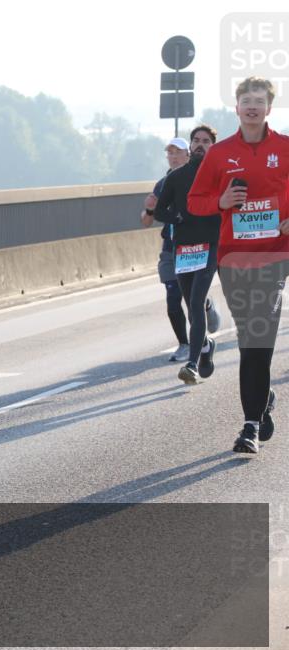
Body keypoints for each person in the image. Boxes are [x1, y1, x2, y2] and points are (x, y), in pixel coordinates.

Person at [188, 76, 289, 452]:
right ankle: (262, 405)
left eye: (259, 100)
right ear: (236, 107)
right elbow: (195, 201)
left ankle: (249, 428)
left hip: (275, 257)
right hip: (233, 259)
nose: (252, 105)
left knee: (257, 342)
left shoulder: (285, 148)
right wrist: (221, 202)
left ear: (268, 108)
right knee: (251, 343)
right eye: (246, 99)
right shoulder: (219, 153)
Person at [154, 125, 223, 385]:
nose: (199, 145)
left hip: (211, 245)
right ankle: (205, 347)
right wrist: (177, 217)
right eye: (196, 140)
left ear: (213, 146)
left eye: (206, 141)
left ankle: (191, 365)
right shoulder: (176, 177)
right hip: (184, 248)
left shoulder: (221, 175)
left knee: (196, 303)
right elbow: (160, 212)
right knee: (191, 307)